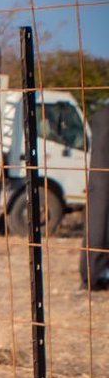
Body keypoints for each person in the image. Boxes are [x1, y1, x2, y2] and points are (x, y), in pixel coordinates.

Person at [80, 105, 109, 291]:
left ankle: (92, 271)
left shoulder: (100, 117)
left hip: (98, 181)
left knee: (97, 222)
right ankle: (97, 273)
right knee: (101, 224)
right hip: (103, 183)